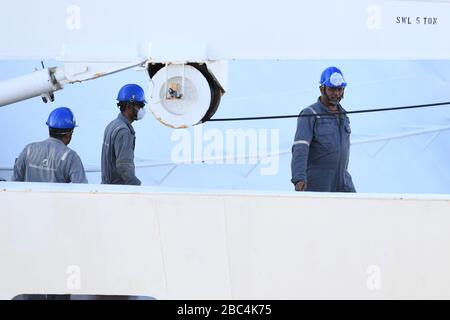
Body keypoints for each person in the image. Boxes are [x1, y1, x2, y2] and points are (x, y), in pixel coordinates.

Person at [291, 66, 356, 192]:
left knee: (356, 207)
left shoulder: (343, 115)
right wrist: (299, 179)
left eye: (340, 89)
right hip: (318, 183)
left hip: (342, 181)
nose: (337, 93)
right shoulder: (310, 113)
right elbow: (300, 147)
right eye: (332, 89)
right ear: (322, 89)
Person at [12, 107, 88, 183]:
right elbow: (82, 188)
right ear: (68, 134)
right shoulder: (70, 156)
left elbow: (14, 181)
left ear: (49, 129)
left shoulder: (28, 149)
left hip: (28, 195)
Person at [101, 83, 147, 185]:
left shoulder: (112, 125)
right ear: (129, 106)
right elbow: (124, 166)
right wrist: (137, 186)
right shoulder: (123, 131)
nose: (142, 109)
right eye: (140, 105)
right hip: (118, 193)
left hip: (107, 188)